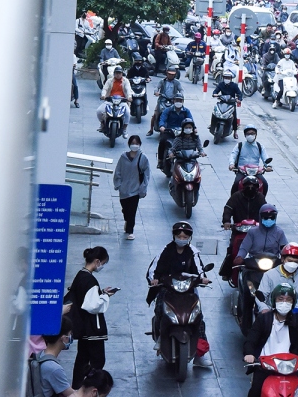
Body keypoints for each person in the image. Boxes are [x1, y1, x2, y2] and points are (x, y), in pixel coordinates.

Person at [147, 222, 212, 367]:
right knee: (159, 309)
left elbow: (199, 269)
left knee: (199, 319)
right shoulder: (166, 250)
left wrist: (203, 278)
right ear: (174, 236)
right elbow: (154, 269)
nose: (182, 238)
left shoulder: (193, 252)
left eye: (185, 236)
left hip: (188, 290)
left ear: (189, 237)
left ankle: (200, 356)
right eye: (179, 235)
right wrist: (154, 279)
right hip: (169, 289)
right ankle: (160, 336)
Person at [242, 283, 298, 397]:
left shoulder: (296, 320)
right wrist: (249, 354)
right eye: (281, 299)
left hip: (291, 366)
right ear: (274, 301)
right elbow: (251, 340)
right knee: (255, 391)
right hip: (266, 365)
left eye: (288, 300)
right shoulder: (264, 319)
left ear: (293, 303)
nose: (284, 302)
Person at [65, 246, 115, 389]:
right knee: (97, 361)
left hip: (82, 327)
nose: (102, 266)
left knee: (82, 359)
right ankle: (92, 388)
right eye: (103, 263)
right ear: (97, 261)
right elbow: (93, 306)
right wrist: (105, 296)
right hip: (92, 329)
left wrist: (100, 292)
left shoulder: (80, 275)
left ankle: (77, 387)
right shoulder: (90, 281)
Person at [220, 177, 267, 281]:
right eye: (248, 186)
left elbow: (265, 210)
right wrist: (227, 221)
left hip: (256, 230)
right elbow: (228, 208)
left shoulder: (260, 197)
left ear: (257, 188)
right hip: (238, 230)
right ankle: (228, 271)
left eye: (253, 186)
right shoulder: (236, 196)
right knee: (232, 249)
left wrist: (265, 222)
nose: (250, 188)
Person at [112, 136, 149, 240]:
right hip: (123, 190)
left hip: (135, 190)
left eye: (137, 143)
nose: (135, 145)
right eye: (133, 143)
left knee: (132, 211)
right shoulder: (123, 157)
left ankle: (130, 231)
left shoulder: (143, 158)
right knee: (125, 209)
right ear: (129, 144)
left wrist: (143, 188)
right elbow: (118, 171)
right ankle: (127, 220)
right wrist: (118, 184)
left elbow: (147, 174)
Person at [30, 317, 74, 397]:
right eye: (70, 334)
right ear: (64, 338)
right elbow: (72, 395)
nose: (71, 337)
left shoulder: (40, 354)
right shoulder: (54, 368)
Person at [148, 69, 185, 136]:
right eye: (169, 74)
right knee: (155, 113)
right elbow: (157, 87)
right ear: (167, 74)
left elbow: (181, 89)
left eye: (172, 74)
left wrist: (181, 95)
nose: (171, 76)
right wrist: (156, 92)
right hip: (162, 100)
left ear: (175, 75)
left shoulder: (177, 82)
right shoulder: (162, 81)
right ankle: (151, 130)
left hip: (173, 100)